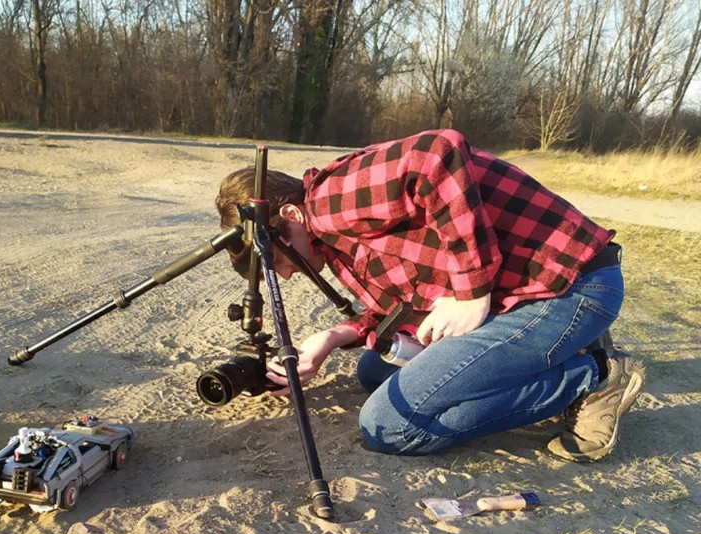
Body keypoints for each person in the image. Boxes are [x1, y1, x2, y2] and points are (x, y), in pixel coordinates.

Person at [215, 129, 645, 462]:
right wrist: (330, 339)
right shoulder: (333, 244)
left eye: (279, 261)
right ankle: (556, 353)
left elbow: (437, 153)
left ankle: (594, 376)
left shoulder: (329, 201)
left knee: (390, 425)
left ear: (290, 215)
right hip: (523, 298)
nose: (286, 276)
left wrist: (470, 289)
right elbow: (396, 308)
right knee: (374, 369)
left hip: (570, 287)